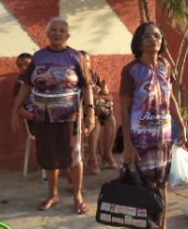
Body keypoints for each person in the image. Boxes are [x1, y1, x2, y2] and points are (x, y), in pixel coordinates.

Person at [11, 17, 95, 214]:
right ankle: (53, 194)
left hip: (70, 117)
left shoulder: (76, 57)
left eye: (61, 30)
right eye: (53, 30)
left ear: (68, 35)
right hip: (44, 117)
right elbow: (27, 85)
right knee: (49, 156)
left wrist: (90, 111)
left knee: (74, 155)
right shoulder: (38, 57)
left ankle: (77, 196)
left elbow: (86, 86)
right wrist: (15, 110)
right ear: (47, 34)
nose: (57, 33)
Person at [120, 22, 187, 229]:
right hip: (139, 141)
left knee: (162, 186)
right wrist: (127, 144)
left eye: (157, 35)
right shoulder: (131, 70)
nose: (152, 39)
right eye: (147, 36)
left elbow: (171, 100)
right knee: (137, 190)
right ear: (139, 42)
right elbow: (124, 108)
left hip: (164, 138)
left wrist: (180, 126)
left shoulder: (165, 66)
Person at [81, 51, 118, 174]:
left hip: (98, 108)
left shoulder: (94, 74)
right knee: (95, 122)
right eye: (82, 61)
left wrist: (102, 88)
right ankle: (92, 159)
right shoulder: (74, 75)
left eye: (87, 61)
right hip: (81, 111)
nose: (85, 64)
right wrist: (91, 91)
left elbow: (106, 95)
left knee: (111, 119)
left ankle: (107, 153)